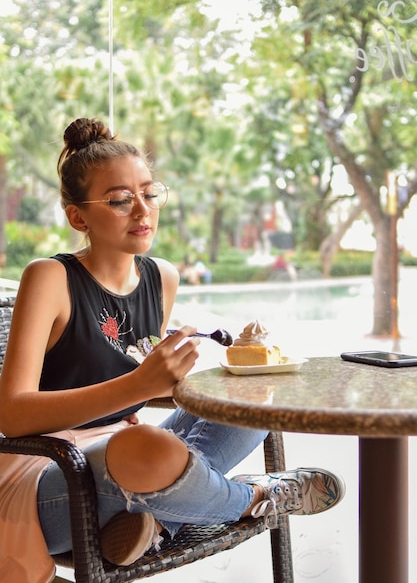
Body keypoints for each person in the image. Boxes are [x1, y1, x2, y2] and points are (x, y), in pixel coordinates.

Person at [0, 118, 345, 583]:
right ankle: (255, 498)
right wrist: (139, 384)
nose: (142, 210)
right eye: (121, 200)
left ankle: (158, 520)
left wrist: (198, 382)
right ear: (78, 217)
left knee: (256, 400)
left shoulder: (161, 277)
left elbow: (148, 391)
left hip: (127, 460)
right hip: (48, 474)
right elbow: (13, 415)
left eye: (149, 193)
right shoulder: (49, 278)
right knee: (146, 446)